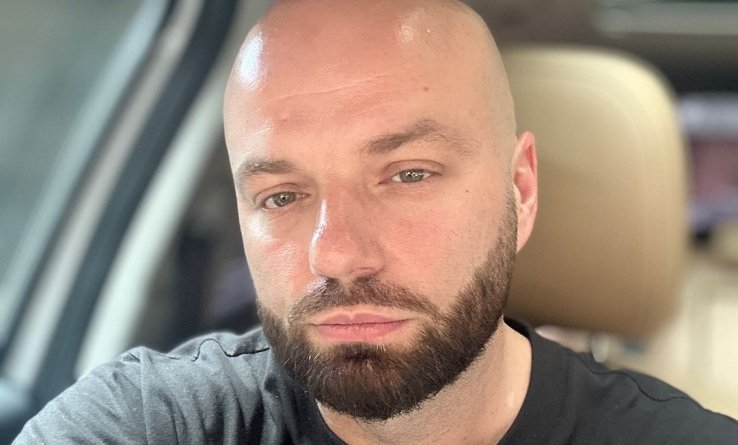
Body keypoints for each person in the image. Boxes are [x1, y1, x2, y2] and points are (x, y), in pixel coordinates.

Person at [14, 0, 738, 443]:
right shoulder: (150, 422)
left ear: (520, 191)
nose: (336, 254)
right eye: (282, 196)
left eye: (408, 175)